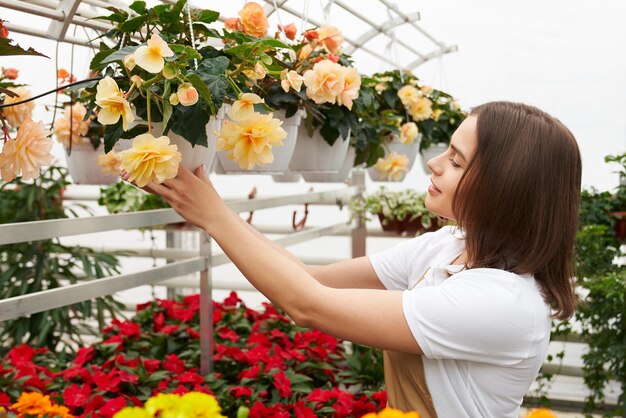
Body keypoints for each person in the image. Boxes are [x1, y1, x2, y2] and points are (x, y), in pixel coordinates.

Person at [123, 101, 582, 418]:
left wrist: (215, 217)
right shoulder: (450, 246)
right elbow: (311, 278)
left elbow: (309, 305)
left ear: (505, 188)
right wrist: (213, 207)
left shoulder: (501, 302)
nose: (434, 164)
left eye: (457, 161)